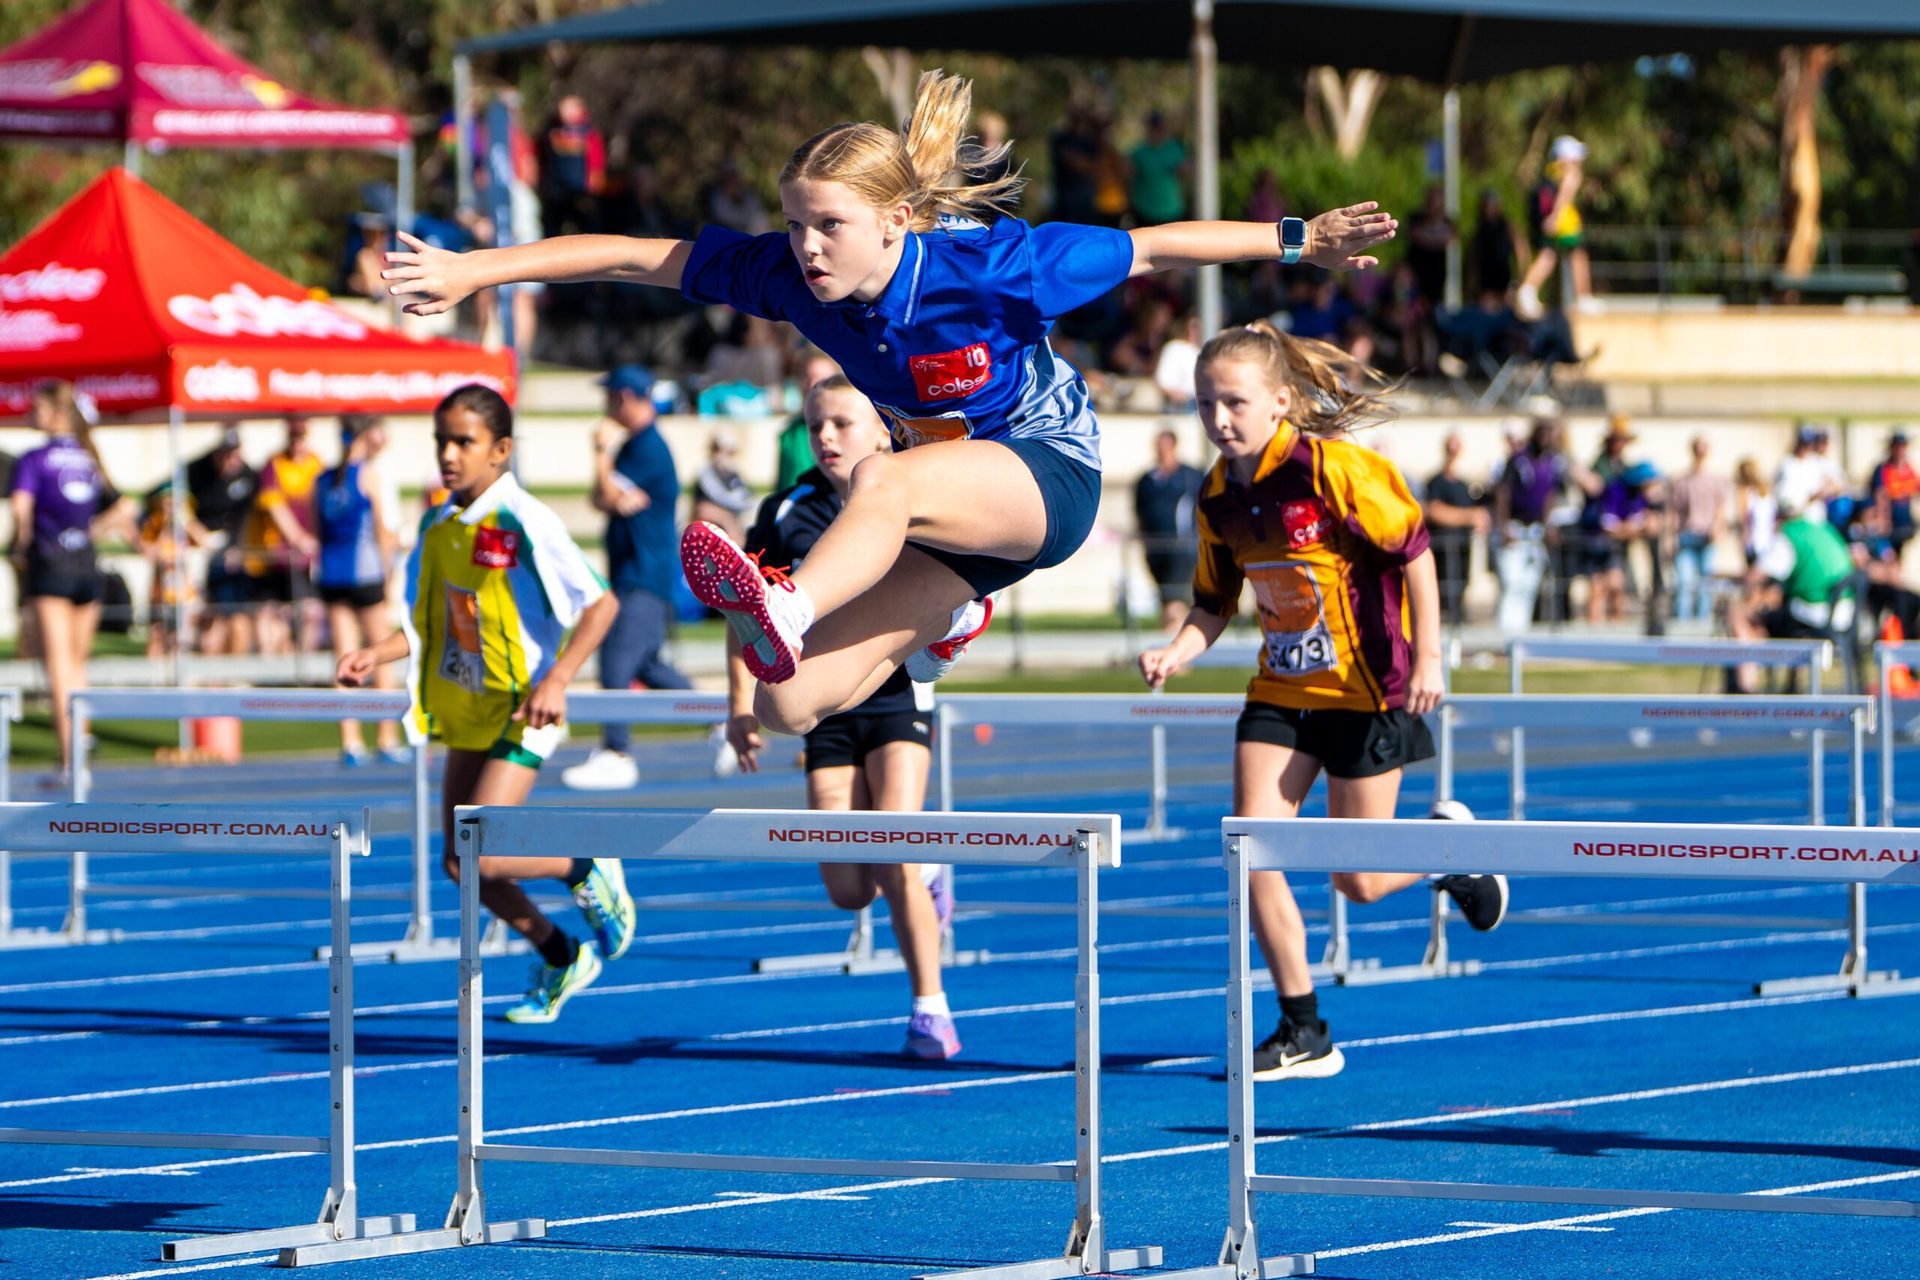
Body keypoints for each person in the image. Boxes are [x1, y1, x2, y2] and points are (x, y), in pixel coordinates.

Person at [381, 69, 1396, 741]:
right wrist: (477, 269)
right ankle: (946, 614)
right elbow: (631, 257)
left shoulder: (995, 267)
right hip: (954, 517)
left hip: (1048, 474)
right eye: (793, 223)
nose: (806, 247)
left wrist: (1303, 239)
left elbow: (1159, 246)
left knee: (882, 477)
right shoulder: (786, 276)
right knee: (786, 702)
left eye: (829, 225)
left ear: (898, 221)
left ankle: (790, 601)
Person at [1136, 324, 1507, 1081]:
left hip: (1365, 691)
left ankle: (1449, 846)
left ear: (1280, 401)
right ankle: (1303, 1027)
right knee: (1250, 851)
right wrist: (1177, 649)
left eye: (1234, 402)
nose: (1218, 420)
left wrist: (1431, 656)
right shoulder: (1217, 497)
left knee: (1357, 881)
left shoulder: (1334, 470)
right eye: (1205, 404)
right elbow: (1214, 602)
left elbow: (1416, 552)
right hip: (1280, 693)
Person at [338, 385, 626, 1024]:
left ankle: (583, 865)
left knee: (487, 853)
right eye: (441, 440)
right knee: (459, 864)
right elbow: (428, 624)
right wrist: (374, 655)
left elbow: (601, 603)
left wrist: (559, 679)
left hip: (525, 710)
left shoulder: (523, 519)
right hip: (465, 709)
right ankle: (561, 954)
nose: (448, 454)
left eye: (463, 442)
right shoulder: (438, 526)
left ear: (500, 450)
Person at [724, 375, 958, 1058]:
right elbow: (747, 617)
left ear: (883, 428)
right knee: (849, 889)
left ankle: (931, 1010)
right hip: (823, 705)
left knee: (892, 857)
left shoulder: (915, 497)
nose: (825, 436)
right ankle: (929, 865)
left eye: (841, 423)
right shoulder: (785, 511)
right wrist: (739, 705)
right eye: (814, 424)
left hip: (895, 699)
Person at [562, 365, 695, 792]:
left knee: (616, 660)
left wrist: (600, 453)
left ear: (624, 398)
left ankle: (616, 752)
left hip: (642, 572)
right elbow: (602, 499)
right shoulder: (637, 446)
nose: (606, 406)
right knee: (648, 664)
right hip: (633, 571)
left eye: (610, 397)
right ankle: (724, 715)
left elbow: (606, 495)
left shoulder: (646, 448)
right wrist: (609, 487)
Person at [11, 382, 131, 778]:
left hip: (51, 567)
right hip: (85, 568)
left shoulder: (33, 460)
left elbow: (21, 510)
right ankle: (82, 746)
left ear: (57, 413)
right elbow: (124, 508)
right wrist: (89, 532)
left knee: (60, 666)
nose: (31, 415)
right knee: (78, 665)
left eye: (37, 409)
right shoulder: (88, 457)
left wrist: (22, 549)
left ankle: (70, 761)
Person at [317, 415, 406, 766]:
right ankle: (386, 736)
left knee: (344, 658)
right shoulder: (367, 474)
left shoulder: (321, 479)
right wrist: (388, 572)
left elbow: (318, 530)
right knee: (379, 655)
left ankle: (351, 741)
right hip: (365, 574)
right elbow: (381, 532)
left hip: (332, 575)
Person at [242, 416, 323, 654]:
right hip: (276, 554)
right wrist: (299, 538)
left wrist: (312, 542)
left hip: (304, 558)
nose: (297, 442)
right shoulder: (274, 465)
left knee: (309, 612)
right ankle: (271, 663)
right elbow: (274, 505)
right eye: (293, 436)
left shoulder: (316, 464)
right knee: (269, 612)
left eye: (301, 436)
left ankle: (305, 662)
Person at [186, 428, 260, 655]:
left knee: (235, 617)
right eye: (226, 455)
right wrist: (196, 532)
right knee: (207, 617)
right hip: (204, 549)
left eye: (234, 454)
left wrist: (237, 545)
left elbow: (250, 516)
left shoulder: (249, 477)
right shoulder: (197, 472)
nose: (230, 461)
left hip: (234, 554)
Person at [1133, 429, 1203, 633]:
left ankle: (1176, 644)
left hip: (1182, 549)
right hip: (1156, 550)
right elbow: (1139, 513)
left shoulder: (1191, 477)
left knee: (1175, 601)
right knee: (1166, 599)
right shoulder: (1146, 481)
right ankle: (1173, 642)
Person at [1516, 135, 1592, 321]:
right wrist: (1556, 217)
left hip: (1555, 219)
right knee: (1576, 256)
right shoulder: (1572, 173)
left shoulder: (1551, 171)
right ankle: (1583, 298)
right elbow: (1565, 196)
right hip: (1565, 223)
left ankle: (1527, 290)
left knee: (1548, 256)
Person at [1424, 432, 1488, 627]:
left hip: (1462, 549)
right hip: (1444, 551)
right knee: (1445, 594)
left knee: (1460, 590)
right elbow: (1434, 511)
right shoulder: (1436, 482)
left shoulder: (1464, 484)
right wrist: (1469, 517)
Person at [137, 484, 206, 661]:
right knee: (157, 638)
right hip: (160, 595)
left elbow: (204, 541)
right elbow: (147, 550)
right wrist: (165, 530)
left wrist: (187, 521)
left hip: (185, 595)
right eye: (166, 504)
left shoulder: (187, 528)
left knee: (181, 642)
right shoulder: (155, 526)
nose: (170, 509)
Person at [1669, 435, 1730, 623]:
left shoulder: (1716, 480)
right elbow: (1674, 511)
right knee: (1685, 582)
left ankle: (1703, 622)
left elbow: (1720, 509)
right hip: (1687, 536)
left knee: (1706, 583)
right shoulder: (1682, 480)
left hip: (1707, 538)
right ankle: (1682, 622)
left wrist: (1717, 528)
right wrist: (1671, 538)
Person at [776, 349, 841, 491]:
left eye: (822, 379)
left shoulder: (853, 429)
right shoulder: (790, 433)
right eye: (807, 377)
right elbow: (783, 486)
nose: (813, 384)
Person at [691, 428, 758, 543]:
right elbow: (702, 510)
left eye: (729, 452)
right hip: (710, 537)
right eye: (718, 450)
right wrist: (726, 519)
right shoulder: (705, 477)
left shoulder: (734, 476)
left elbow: (746, 502)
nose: (723, 455)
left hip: (733, 535)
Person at [1128, 110, 1188, 227]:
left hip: (1171, 210)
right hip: (1144, 211)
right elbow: (1129, 178)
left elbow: (1186, 173)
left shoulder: (1174, 149)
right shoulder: (1139, 152)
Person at [1868, 431, 1918, 564]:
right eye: (1897, 446)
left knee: (1900, 557)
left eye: (1903, 446)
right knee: (1887, 558)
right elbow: (1880, 496)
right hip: (1889, 524)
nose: (1900, 450)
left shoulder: (1908, 468)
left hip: (1905, 523)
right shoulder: (1883, 469)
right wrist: (1882, 519)